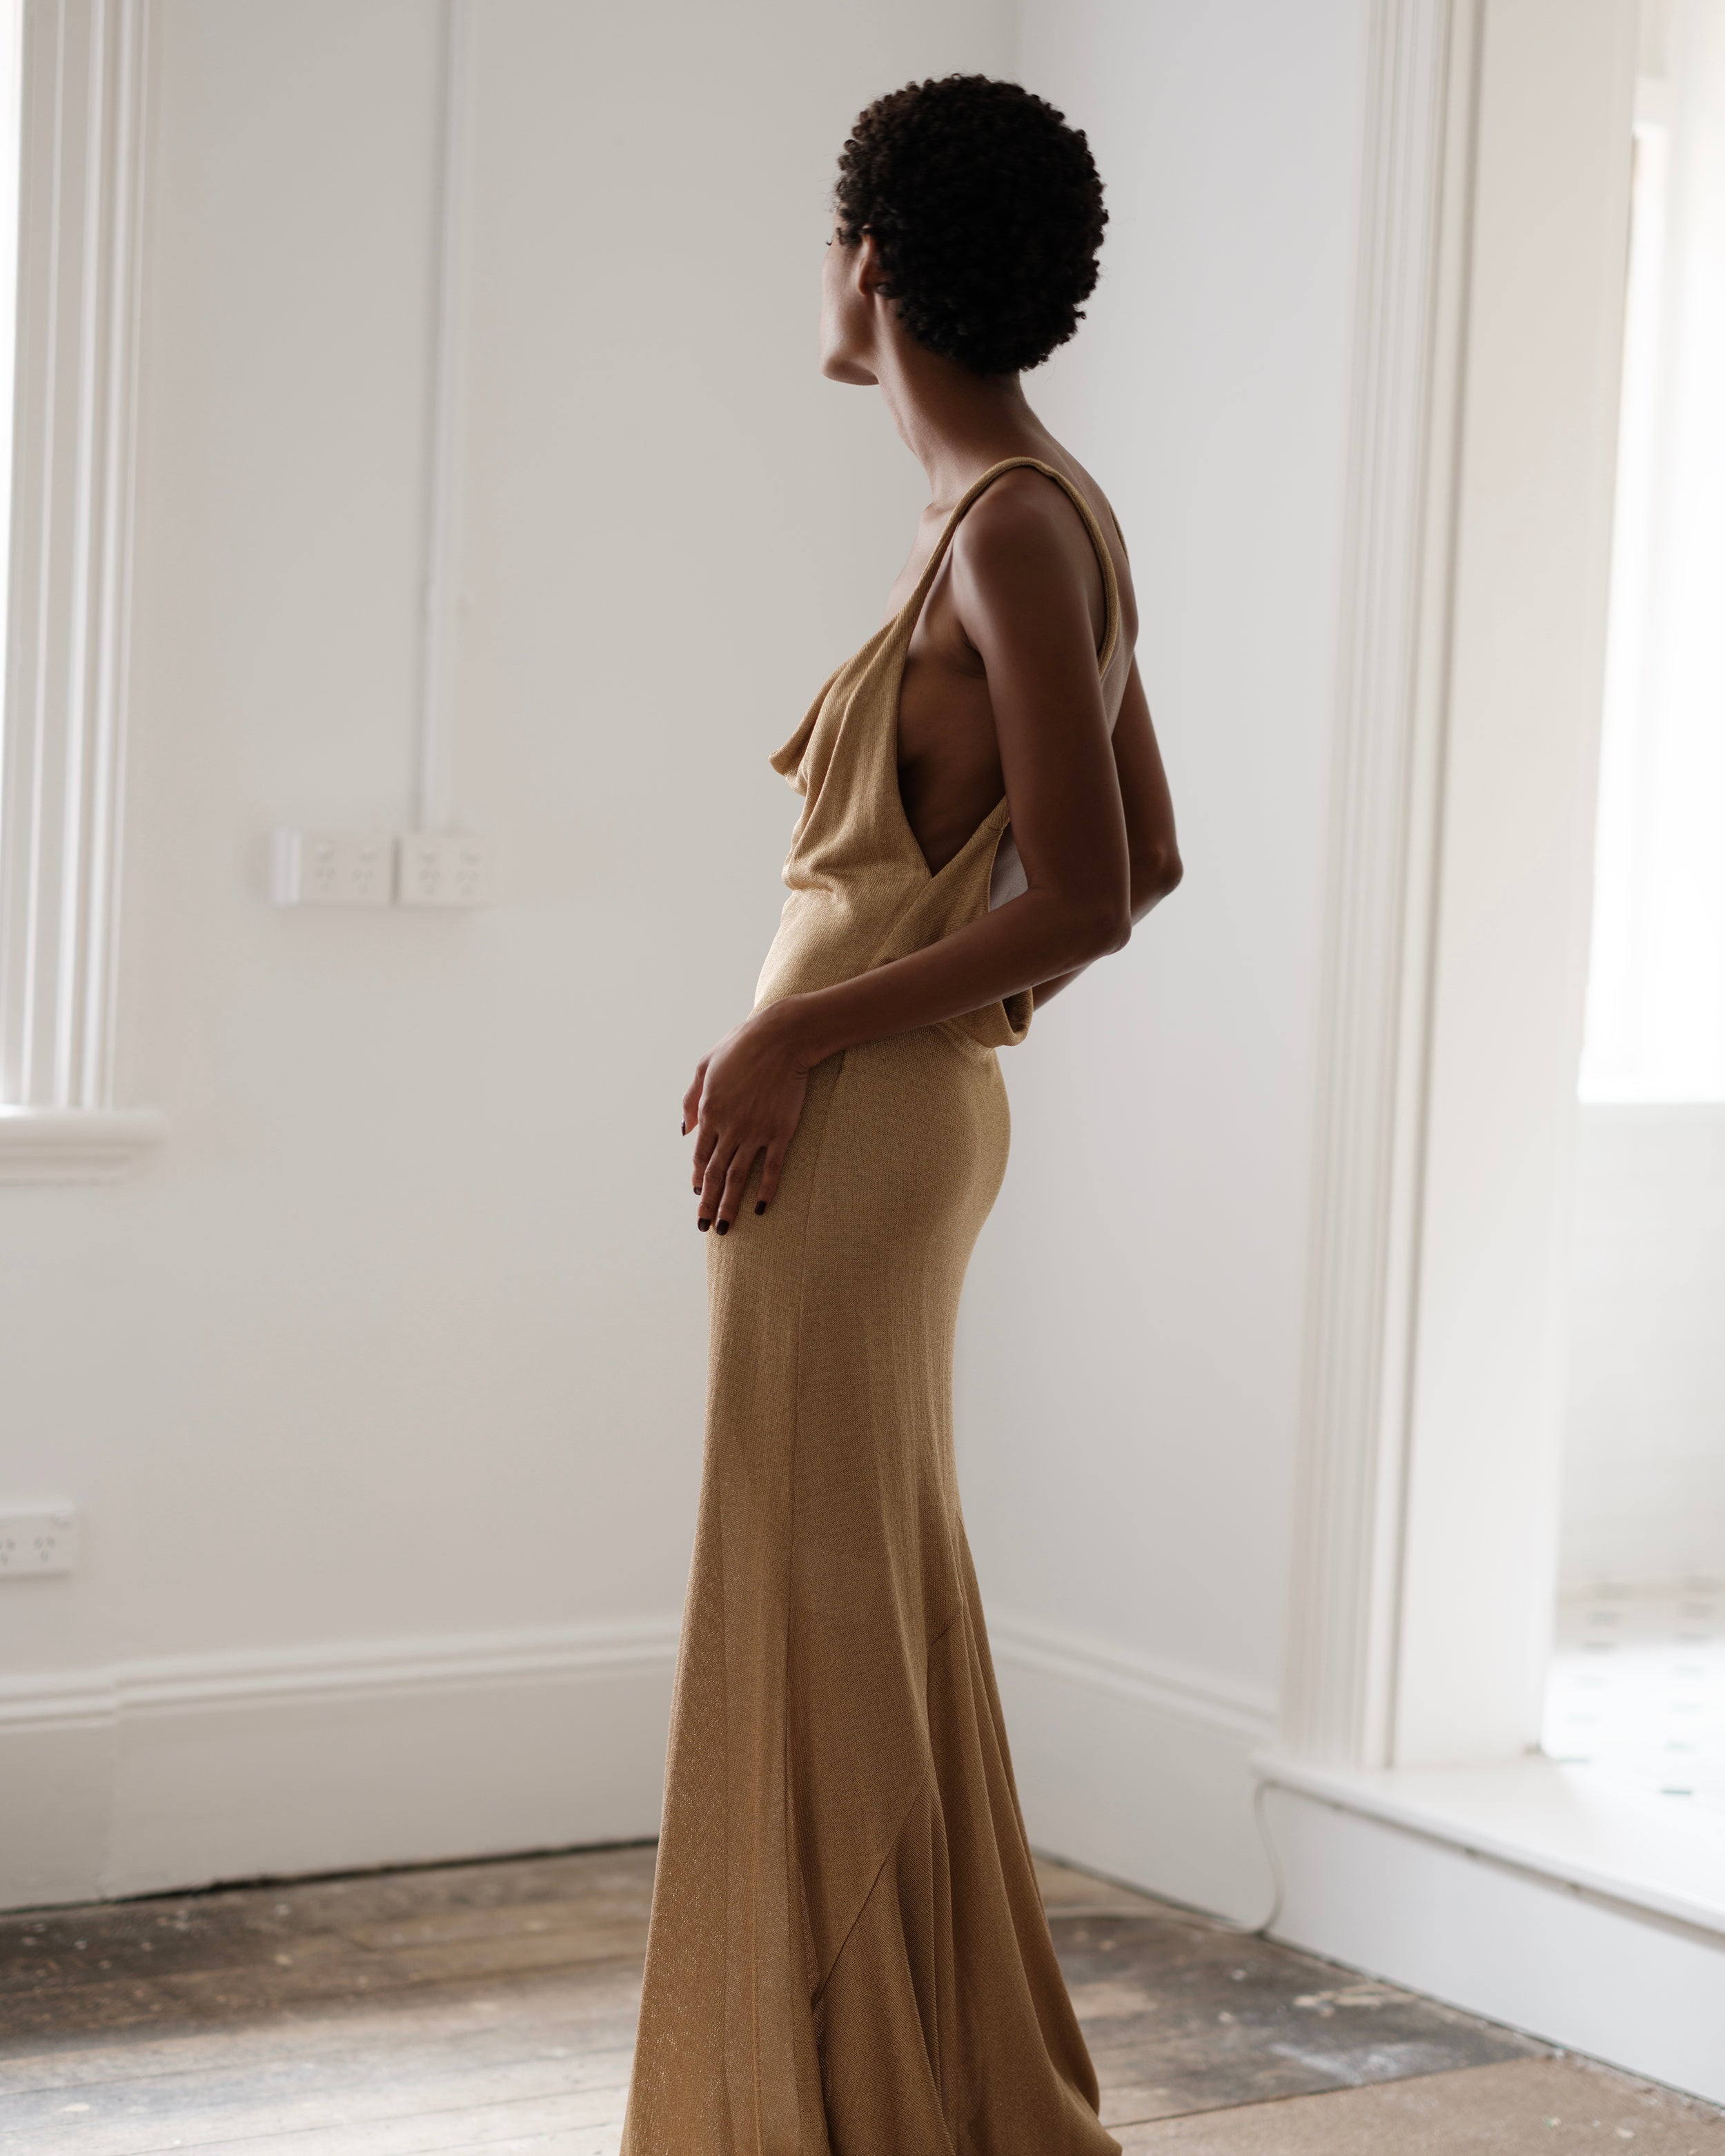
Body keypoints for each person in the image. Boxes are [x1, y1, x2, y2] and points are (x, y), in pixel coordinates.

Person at [622, 72, 1181, 2156]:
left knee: (817, 1590)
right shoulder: (1030, 510)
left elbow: (1095, 889)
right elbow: (1151, 850)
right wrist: (892, 1036)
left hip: (847, 1135)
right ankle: (885, 2074)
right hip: (877, 1120)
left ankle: (834, 2098)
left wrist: (803, 1038)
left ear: (874, 262)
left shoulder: (1015, 529)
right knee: (851, 1579)